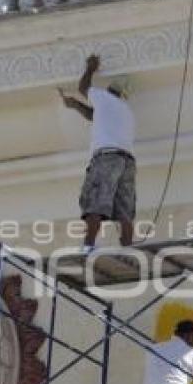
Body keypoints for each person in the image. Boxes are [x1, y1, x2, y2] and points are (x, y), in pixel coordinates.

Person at [58, 54, 136, 251]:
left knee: (95, 202)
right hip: (126, 162)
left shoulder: (105, 98)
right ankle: (127, 248)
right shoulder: (125, 111)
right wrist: (75, 105)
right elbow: (95, 116)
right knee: (124, 209)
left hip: (106, 158)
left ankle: (89, 246)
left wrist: (90, 68)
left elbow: (83, 87)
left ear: (111, 90)